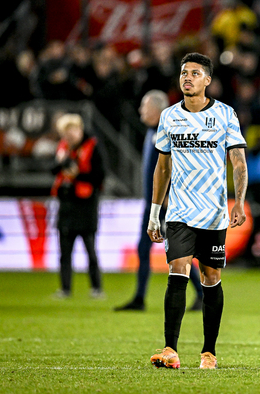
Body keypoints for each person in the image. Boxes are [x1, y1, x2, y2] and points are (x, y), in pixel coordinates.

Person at [148, 53, 248, 370]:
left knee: (210, 277)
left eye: (195, 73)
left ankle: (208, 353)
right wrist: (155, 212)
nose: (187, 77)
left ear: (207, 80)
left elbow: (238, 162)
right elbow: (162, 167)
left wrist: (240, 202)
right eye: (183, 73)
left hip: (214, 214)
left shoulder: (225, 115)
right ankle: (170, 349)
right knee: (177, 268)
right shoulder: (168, 117)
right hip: (178, 213)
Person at [114, 90, 204, 312]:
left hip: (164, 206)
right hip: (152, 205)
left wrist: (168, 198)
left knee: (177, 252)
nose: (141, 110)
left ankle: (202, 295)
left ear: (157, 109)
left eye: (145, 106)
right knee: (146, 249)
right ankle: (139, 298)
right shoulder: (153, 131)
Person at [51, 114, 106, 298]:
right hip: (66, 204)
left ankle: (96, 288)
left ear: (80, 129)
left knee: (90, 249)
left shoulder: (93, 146)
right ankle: (65, 289)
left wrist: (76, 175)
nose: (70, 136)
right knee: (64, 252)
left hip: (86, 205)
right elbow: (53, 170)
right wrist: (61, 163)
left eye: (72, 131)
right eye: (66, 133)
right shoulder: (63, 150)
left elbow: (100, 175)